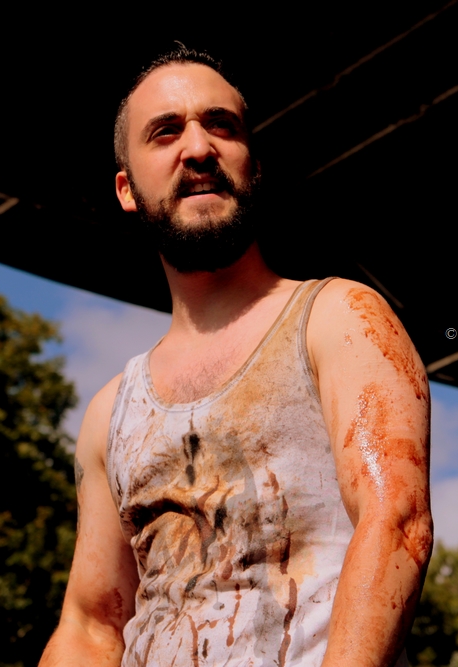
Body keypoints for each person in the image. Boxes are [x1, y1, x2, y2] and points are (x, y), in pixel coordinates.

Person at [40, 47, 432, 667]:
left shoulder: (340, 318)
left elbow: (396, 522)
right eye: (166, 132)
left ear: (254, 164)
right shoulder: (110, 414)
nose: (198, 148)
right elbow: (90, 628)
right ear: (126, 189)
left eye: (221, 126)